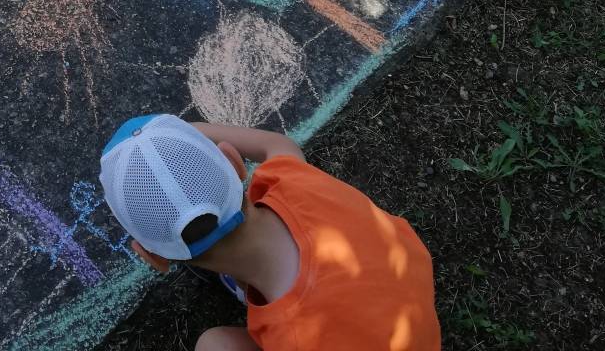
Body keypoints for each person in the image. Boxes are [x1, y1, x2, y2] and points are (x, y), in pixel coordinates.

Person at [99, 114, 442, 350]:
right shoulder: (292, 181)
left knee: (213, 344)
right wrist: (177, 141)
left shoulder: (293, 337)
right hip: (409, 301)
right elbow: (276, 143)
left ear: (154, 257)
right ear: (234, 163)